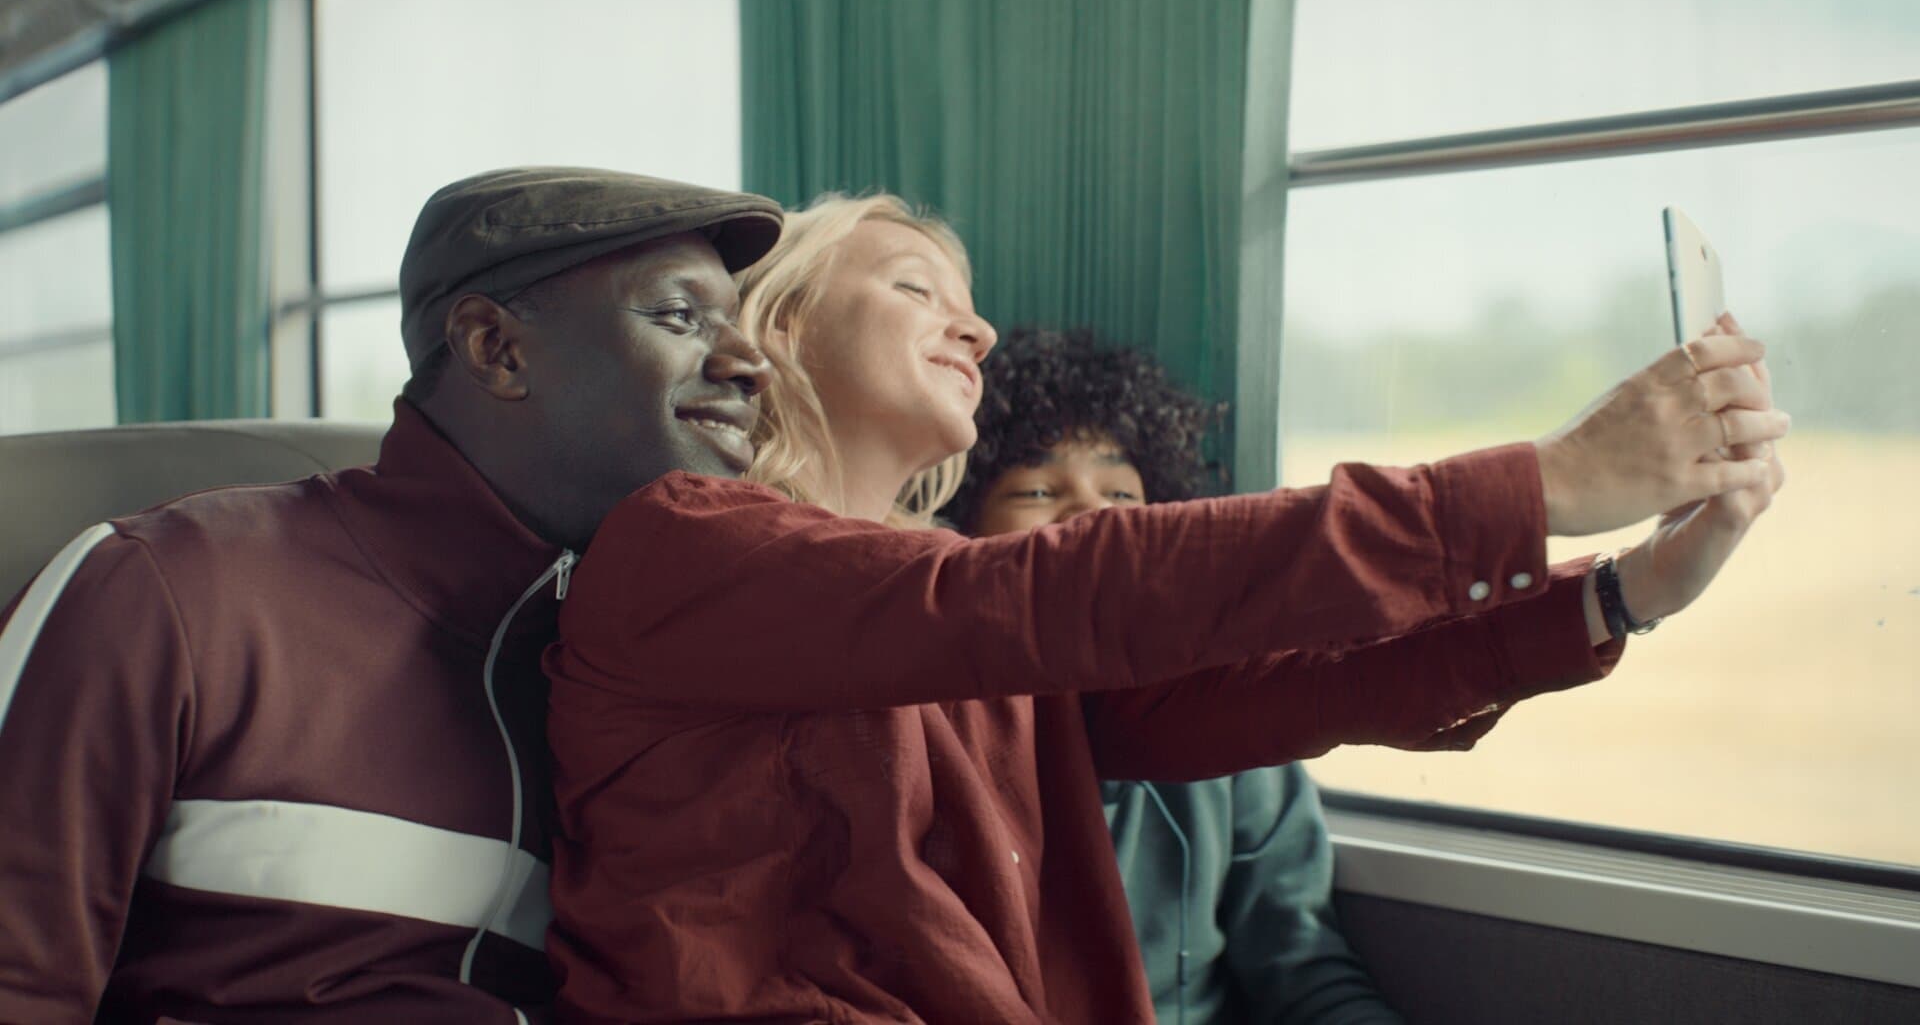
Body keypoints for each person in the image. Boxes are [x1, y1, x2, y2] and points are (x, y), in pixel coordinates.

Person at [543, 194, 1789, 1022]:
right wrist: (1542, 486)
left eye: (966, 301)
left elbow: (1290, 692)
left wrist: (1619, 594)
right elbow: (1051, 591)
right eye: (917, 289)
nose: (975, 327)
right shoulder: (686, 547)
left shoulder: (945, 600)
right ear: (784, 321)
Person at [0, 166, 783, 1022]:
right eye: (679, 316)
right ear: (495, 348)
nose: (752, 365)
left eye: (739, 324)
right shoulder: (167, 590)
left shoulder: (674, 675)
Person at [944, 327, 1403, 1024]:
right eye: (1037, 488)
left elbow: (1303, 966)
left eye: (1121, 494)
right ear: (966, 533)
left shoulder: (1232, 716)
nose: (1093, 517)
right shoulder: (938, 734)